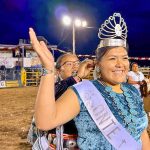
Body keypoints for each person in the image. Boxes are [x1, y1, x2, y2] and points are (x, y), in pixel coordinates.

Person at [29, 13, 150, 149]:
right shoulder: (83, 91)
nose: (120, 64)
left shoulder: (132, 91)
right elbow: (45, 122)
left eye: (124, 58)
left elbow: (142, 134)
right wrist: (48, 69)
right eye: (112, 58)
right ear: (97, 64)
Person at [27, 53, 93, 149]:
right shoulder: (52, 88)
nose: (75, 66)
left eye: (78, 63)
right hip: (58, 144)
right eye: (69, 64)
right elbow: (59, 92)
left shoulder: (87, 86)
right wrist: (77, 77)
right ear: (58, 71)